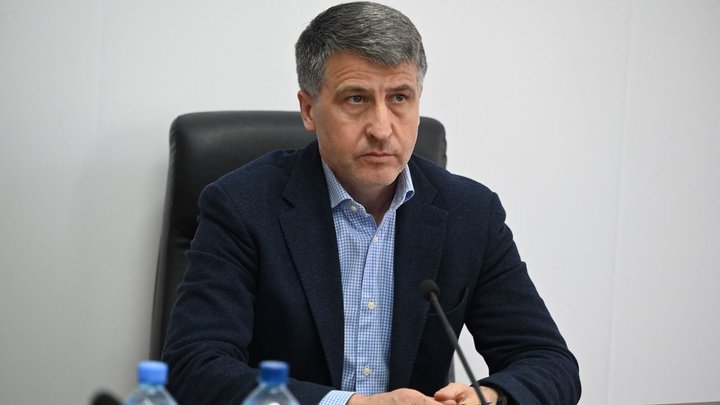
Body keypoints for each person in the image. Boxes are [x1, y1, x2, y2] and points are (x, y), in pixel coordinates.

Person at [161, 2, 581, 404]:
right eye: (356, 99)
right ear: (308, 109)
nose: (382, 128)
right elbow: (194, 367)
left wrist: (491, 396)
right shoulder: (241, 206)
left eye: (399, 98)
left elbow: (548, 362)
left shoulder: (470, 214)